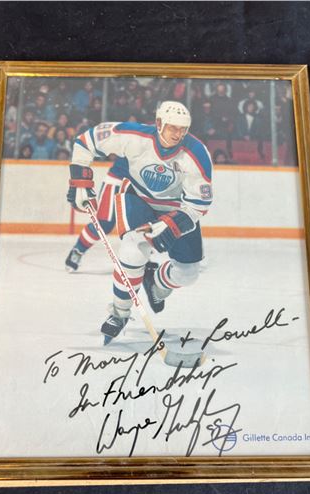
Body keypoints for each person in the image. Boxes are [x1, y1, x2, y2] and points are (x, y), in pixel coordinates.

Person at [65, 101, 213, 343]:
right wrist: (80, 180)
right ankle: (119, 312)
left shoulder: (197, 153)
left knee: (188, 273)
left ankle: (157, 282)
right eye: (172, 128)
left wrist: (170, 224)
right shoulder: (134, 136)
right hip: (138, 197)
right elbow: (86, 140)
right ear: (159, 123)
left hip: (176, 209)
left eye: (183, 129)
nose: (178, 134)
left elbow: (198, 204)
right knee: (133, 251)